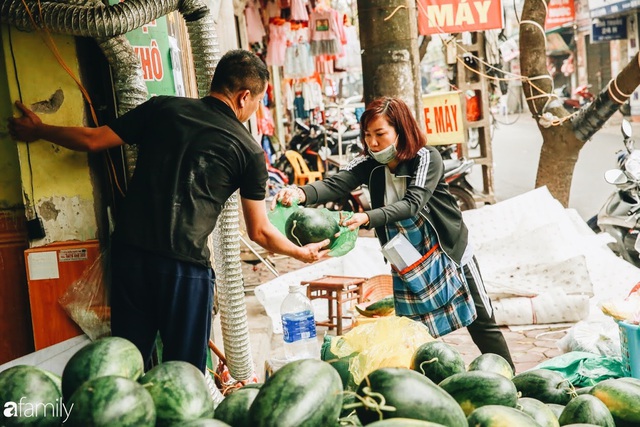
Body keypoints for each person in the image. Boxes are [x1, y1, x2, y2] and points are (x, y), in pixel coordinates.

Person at [8, 49, 331, 372]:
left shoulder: (163, 108)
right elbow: (259, 230)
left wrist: (39, 130)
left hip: (130, 257)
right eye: (258, 101)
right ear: (245, 96)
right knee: (183, 375)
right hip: (184, 269)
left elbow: (93, 139)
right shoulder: (248, 151)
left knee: (126, 365)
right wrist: (301, 254)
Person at [274, 96, 515, 372]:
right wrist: (301, 193)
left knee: (481, 321)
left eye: (380, 134)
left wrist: (367, 217)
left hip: (448, 252)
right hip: (405, 258)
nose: (373, 143)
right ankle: (421, 383)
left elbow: (413, 203)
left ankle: (510, 378)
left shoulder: (426, 158)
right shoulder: (369, 163)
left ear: (400, 130)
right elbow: (336, 183)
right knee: (413, 332)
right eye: (367, 135)